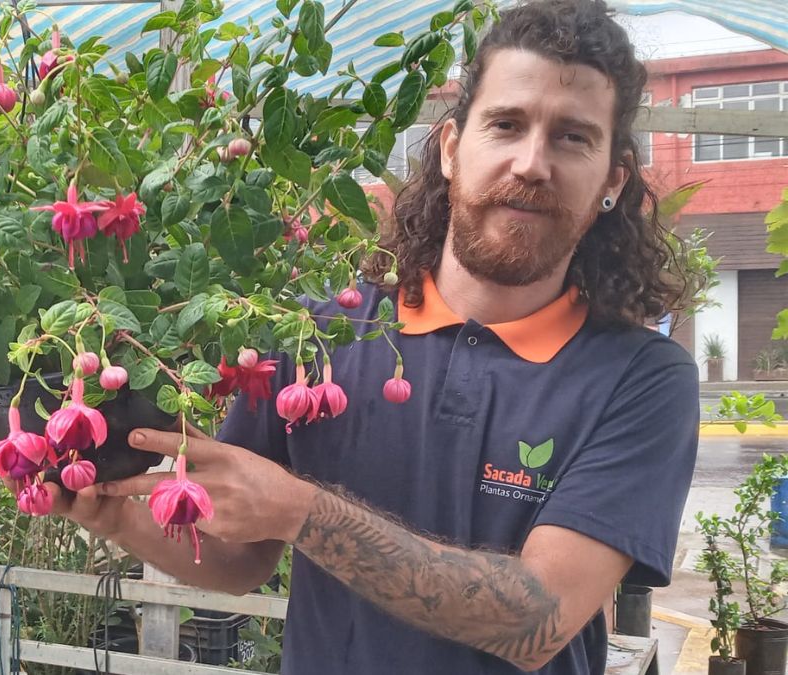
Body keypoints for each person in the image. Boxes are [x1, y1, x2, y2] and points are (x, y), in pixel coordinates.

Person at [46, 0, 701, 672]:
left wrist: (306, 512)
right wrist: (116, 515)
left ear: (613, 180)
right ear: (450, 148)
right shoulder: (313, 336)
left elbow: (537, 619)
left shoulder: (640, 378)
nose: (532, 162)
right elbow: (240, 558)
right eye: (506, 124)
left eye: (572, 137)